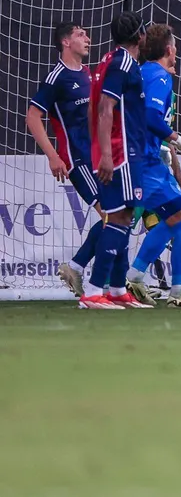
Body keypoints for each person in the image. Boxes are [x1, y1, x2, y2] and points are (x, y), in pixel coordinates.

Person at [84, 12, 181, 309]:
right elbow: (135, 115)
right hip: (136, 159)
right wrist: (178, 142)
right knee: (130, 219)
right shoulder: (144, 70)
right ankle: (100, 286)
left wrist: (169, 156)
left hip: (143, 157)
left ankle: (122, 282)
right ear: (168, 48)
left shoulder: (135, 67)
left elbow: (128, 114)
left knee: (132, 218)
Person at [113, 23, 181, 307]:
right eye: (175, 46)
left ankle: (134, 277)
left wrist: (163, 148)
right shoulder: (160, 77)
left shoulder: (145, 73)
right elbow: (152, 118)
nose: (176, 50)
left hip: (143, 159)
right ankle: (178, 291)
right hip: (145, 163)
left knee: (173, 220)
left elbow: (139, 117)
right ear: (169, 49)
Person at [27, 21, 102, 297]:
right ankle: (99, 282)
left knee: (119, 218)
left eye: (86, 33)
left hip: (97, 159)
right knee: (113, 218)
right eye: (81, 34)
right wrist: (53, 156)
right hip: (76, 161)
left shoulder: (87, 74)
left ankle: (77, 268)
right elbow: (32, 118)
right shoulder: (56, 77)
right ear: (66, 42)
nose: (88, 38)